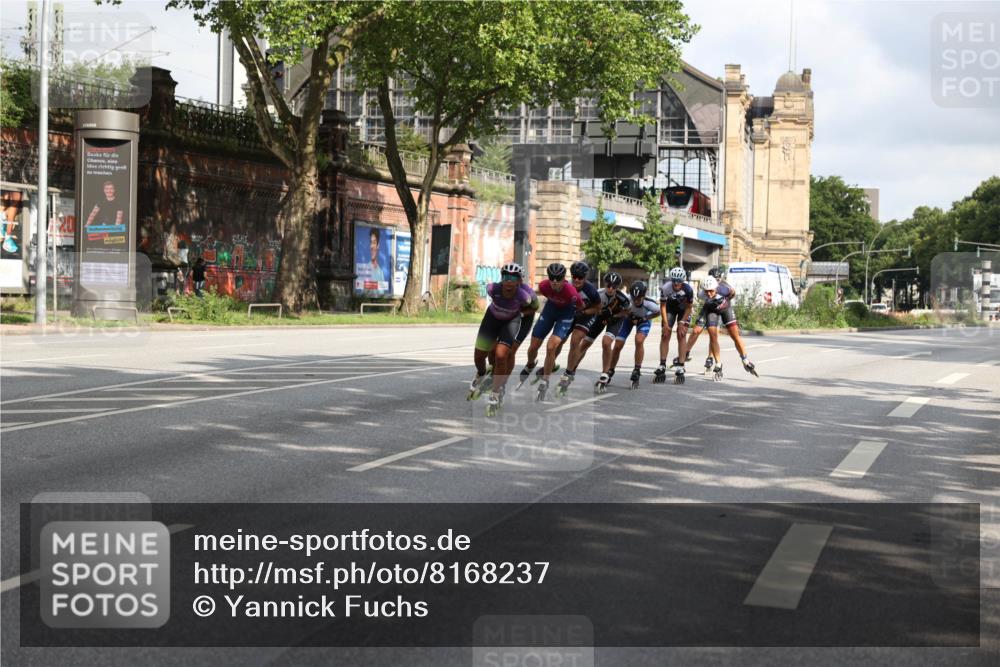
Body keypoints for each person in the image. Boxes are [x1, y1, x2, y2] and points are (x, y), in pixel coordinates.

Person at [469, 262, 538, 415]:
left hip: (513, 320)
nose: (508, 281)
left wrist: (522, 314)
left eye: (513, 278)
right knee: (480, 356)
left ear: (519, 281)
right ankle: (481, 373)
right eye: (505, 277)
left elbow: (534, 308)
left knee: (503, 354)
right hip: (492, 318)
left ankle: (497, 391)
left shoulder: (525, 296)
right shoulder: (492, 289)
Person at [517, 262, 585, 400]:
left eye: (558, 279)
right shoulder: (543, 285)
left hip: (565, 315)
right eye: (551, 278)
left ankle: (545, 380)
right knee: (533, 347)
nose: (554, 282)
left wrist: (573, 317)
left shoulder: (571, 292)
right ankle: (530, 364)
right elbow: (535, 293)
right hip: (549, 311)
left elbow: (581, 306)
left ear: (563, 279)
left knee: (551, 346)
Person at [685, 275, 757, 381]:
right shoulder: (701, 294)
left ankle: (745, 360)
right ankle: (718, 364)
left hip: (725, 308)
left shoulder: (724, 289)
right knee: (713, 336)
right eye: (706, 291)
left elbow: (733, 292)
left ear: (716, 288)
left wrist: (726, 301)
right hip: (711, 311)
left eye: (711, 291)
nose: (709, 294)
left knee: (735, 336)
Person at [554, 262, 608, 395]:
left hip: (586, 315)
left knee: (575, 340)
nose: (577, 280)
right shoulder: (566, 286)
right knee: (559, 340)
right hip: (571, 314)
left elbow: (598, 308)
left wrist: (584, 312)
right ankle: (550, 363)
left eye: (580, 277)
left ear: (585, 277)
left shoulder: (590, 290)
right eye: (575, 277)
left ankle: (569, 373)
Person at [597, 280, 659, 392]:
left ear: (644, 296)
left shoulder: (650, 304)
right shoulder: (627, 299)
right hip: (628, 319)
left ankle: (637, 370)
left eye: (639, 298)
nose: (636, 301)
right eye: (634, 298)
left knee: (639, 340)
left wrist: (644, 318)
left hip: (643, 320)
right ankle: (610, 370)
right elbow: (620, 310)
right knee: (618, 344)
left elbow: (657, 312)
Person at [657, 267, 695, 384]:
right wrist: (666, 324)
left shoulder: (688, 289)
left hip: (684, 310)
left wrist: (682, 322)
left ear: (682, 280)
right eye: (674, 280)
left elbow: (689, 307)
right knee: (665, 334)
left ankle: (681, 365)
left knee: (681, 334)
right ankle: (662, 364)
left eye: (679, 281)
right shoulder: (665, 288)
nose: (676, 283)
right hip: (670, 309)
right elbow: (662, 307)